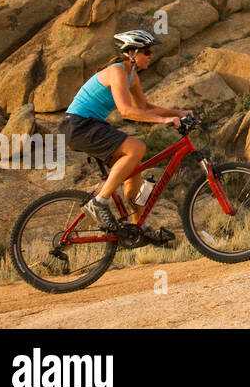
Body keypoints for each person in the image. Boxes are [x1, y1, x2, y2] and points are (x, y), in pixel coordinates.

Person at [60, 30, 193, 244]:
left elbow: (144, 107)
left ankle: (136, 226)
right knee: (137, 147)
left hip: (89, 125)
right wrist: (162, 121)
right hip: (78, 125)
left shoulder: (132, 76)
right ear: (131, 52)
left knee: (133, 168)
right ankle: (99, 202)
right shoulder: (117, 70)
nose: (151, 56)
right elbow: (126, 110)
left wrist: (178, 113)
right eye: (147, 51)